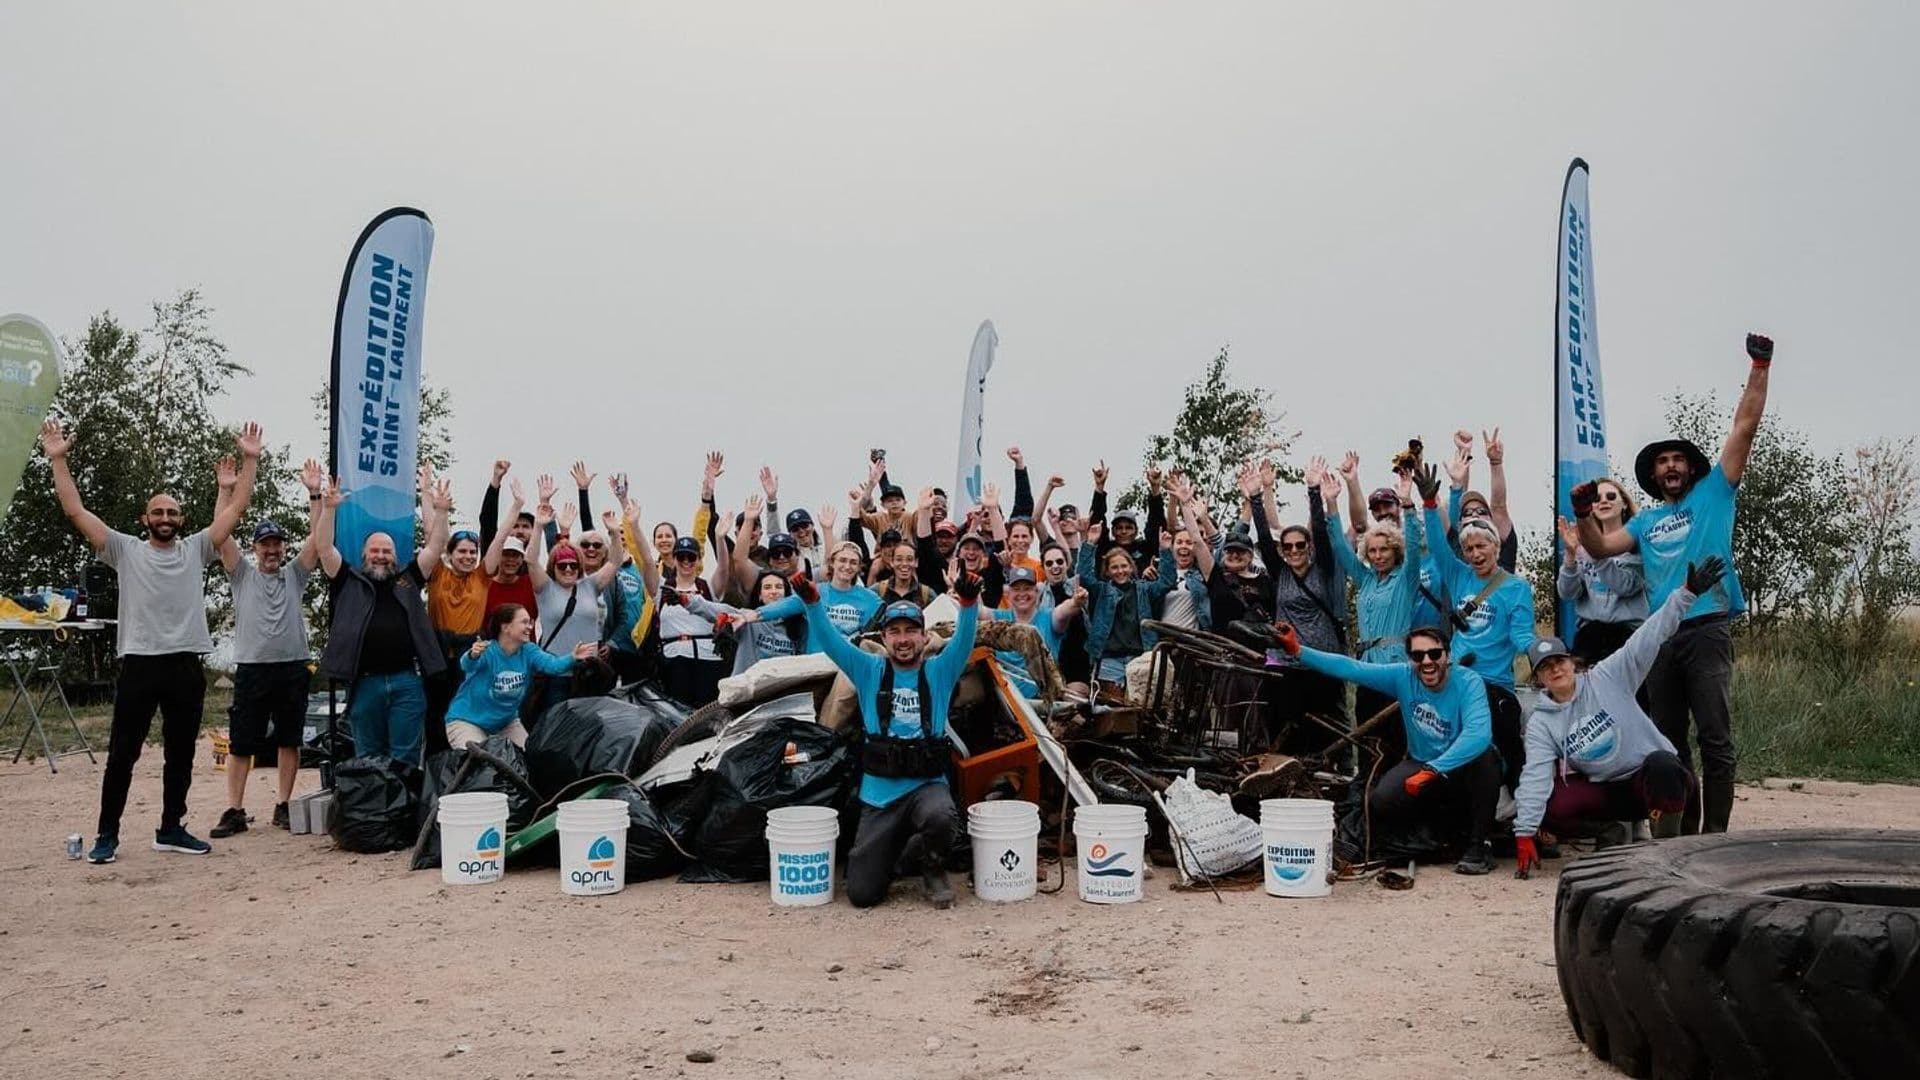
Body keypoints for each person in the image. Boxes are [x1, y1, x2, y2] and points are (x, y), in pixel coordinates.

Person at [1576, 333, 1773, 834]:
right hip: (1660, 634)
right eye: (1662, 461)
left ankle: (1716, 838)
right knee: (1667, 739)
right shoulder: (1645, 522)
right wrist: (1581, 516)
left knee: (1715, 739)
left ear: (1690, 467)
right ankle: (1684, 839)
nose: (1670, 466)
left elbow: (1744, 427)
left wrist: (1759, 367)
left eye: (1677, 459)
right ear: (1653, 474)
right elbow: (1600, 547)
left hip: (1707, 627)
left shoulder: (1715, 493)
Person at [43, 417, 262, 863]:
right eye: (158, 512)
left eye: (172, 513)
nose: (165, 518)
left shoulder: (197, 548)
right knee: (122, 755)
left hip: (185, 665)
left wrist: (250, 459)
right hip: (140, 665)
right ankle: (107, 835)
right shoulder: (124, 549)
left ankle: (170, 829)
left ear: (181, 521)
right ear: (145, 519)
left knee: (180, 755)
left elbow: (237, 508)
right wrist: (58, 460)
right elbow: (75, 511)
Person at [1510, 559, 1725, 877]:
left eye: (1559, 661)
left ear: (1572, 663)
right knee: (1553, 805)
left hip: (1650, 781)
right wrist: (1525, 832)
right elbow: (1535, 774)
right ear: (1538, 679)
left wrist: (1687, 593)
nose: (1555, 669)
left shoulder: (1608, 676)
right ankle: (1610, 833)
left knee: (1664, 764)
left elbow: (1649, 635)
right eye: (1545, 667)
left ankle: (1666, 851)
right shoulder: (1542, 721)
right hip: (1607, 791)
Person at [798, 570, 982, 908]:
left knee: (942, 816)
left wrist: (969, 604)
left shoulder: (939, 671)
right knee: (862, 895)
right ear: (883, 638)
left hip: (927, 786)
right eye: (894, 632)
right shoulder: (868, 669)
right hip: (880, 795)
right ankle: (899, 852)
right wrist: (812, 602)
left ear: (924, 636)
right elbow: (831, 641)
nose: (903, 639)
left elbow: (964, 641)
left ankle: (932, 867)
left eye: (911, 630)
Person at [1274, 622, 1502, 875]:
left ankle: (1479, 845)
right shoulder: (1402, 676)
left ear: (1448, 655)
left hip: (1462, 766)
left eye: (1434, 654)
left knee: (1487, 759)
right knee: (1382, 801)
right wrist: (1298, 650)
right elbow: (1352, 668)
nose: (1427, 661)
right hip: (1421, 762)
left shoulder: (1468, 681)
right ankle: (1437, 834)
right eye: (1418, 656)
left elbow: (1478, 735)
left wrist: (1434, 769)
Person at [208, 457, 325, 838]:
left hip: (293, 667)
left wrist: (315, 494)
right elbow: (220, 534)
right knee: (242, 743)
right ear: (255, 548)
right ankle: (234, 810)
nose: (271, 550)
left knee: (289, 740)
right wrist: (225, 490)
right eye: (265, 544)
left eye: (277, 543)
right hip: (253, 669)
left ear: (283, 547)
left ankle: (284, 805)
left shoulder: (295, 574)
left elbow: (318, 538)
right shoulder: (241, 574)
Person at [317, 469, 451, 767]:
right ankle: (374, 800)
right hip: (365, 684)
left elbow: (436, 547)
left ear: (395, 555)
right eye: (375, 550)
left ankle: (403, 800)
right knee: (368, 759)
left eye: (386, 551)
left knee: (406, 759)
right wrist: (328, 509)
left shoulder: (409, 578)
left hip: (407, 682)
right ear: (364, 554)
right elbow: (323, 547)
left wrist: (440, 512)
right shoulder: (346, 578)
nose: (380, 555)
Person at [1424, 464, 1534, 789]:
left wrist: (1541, 654)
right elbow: (1438, 544)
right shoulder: (1459, 575)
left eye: (1481, 546)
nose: (1475, 554)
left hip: (1495, 684)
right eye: (1469, 549)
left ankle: (1521, 806)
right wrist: (1430, 504)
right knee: (1455, 756)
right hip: (1458, 680)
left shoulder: (1516, 587)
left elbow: (1522, 634)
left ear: (1496, 547)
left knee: (1509, 754)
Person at [1325, 469, 1430, 729]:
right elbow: (1339, 546)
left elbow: (1414, 547)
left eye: (1384, 549)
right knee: (1366, 731)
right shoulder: (1366, 579)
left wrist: (1407, 504)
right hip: (1366, 665)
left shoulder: (1406, 579)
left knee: (1395, 732)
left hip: (1395, 665)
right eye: (1372, 551)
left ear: (1394, 550)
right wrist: (1331, 503)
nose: (1378, 556)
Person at [1262, 459, 1351, 741]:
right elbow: (1264, 537)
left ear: (1308, 546)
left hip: (1321, 659)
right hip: (1285, 661)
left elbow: (1321, 534)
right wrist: (1255, 497)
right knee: (1286, 727)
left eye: (1300, 544)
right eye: (1288, 546)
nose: (1294, 550)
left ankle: (1333, 765)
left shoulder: (1322, 569)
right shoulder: (1280, 574)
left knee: (1323, 728)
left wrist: (1314, 492)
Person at [446, 604, 598, 749]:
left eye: (530, 622)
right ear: (505, 627)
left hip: (505, 723)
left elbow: (553, 666)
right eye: (524, 622)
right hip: (467, 722)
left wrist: (573, 657)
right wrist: (472, 655)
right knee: (480, 762)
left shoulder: (529, 650)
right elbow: (466, 665)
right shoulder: (487, 650)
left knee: (528, 758)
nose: (530, 627)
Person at [1075, 520, 1179, 691]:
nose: (1120, 571)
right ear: (1107, 571)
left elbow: (1167, 582)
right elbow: (1084, 576)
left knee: (1139, 703)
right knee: (1110, 703)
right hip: (1109, 658)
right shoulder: (1102, 590)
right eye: (1114, 567)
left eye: (1124, 566)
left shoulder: (1144, 589)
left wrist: (1165, 550)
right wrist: (1090, 543)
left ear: (1131, 568)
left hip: (1140, 658)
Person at [1554, 478, 1647, 665]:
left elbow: (1625, 586)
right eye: (1596, 499)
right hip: (1589, 638)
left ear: (1624, 504)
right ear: (1590, 507)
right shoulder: (1581, 549)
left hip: (1628, 635)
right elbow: (1567, 593)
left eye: (1611, 496)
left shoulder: (1638, 545)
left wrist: (1596, 554)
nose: (1603, 501)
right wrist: (1571, 555)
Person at [679, 569, 808, 674]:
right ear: (760, 595)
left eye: (779, 587)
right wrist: (686, 600)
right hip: (748, 691)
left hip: (782, 691)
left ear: (786, 594)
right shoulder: (748, 618)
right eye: (767, 587)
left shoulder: (799, 625)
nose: (773, 592)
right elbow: (717, 609)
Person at [990, 565, 1085, 698]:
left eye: (1027, 588)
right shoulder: (997, 618)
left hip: (1044, 700)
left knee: (1079, 690)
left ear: (1036, 591)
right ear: (1009, 593)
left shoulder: (1049, 617)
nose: (1022, 594)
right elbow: (972, 609)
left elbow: (1064, 610)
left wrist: (1075, 601)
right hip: (1007, 700)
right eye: (1016, 589)